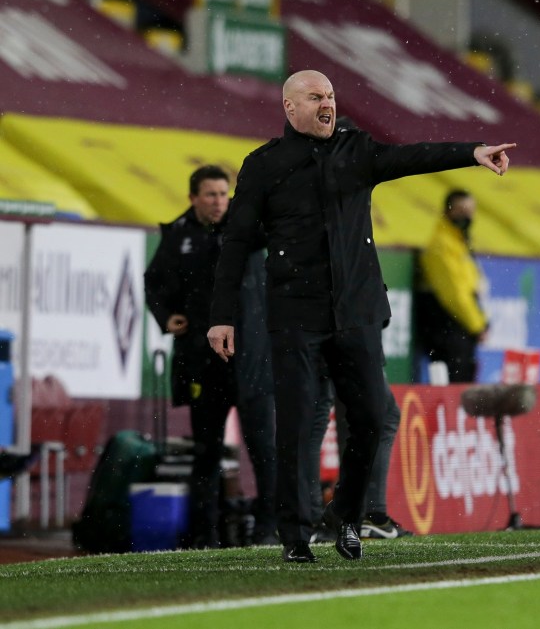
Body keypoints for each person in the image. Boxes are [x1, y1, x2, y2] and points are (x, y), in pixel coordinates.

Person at [207, 70, 515, 563]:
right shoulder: (264, 165)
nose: (327, 103)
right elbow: (237, 242)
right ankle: (294, 536)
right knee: (296, 422)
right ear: (290, 107)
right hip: (296, 316)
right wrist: (222, 316)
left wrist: (472, 152)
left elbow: (411, 157)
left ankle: (346, 515)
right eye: (315, 97)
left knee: (372, 416)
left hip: (356, 313)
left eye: (330, 95)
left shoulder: (357, 150)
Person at [145, 165, 278, 548]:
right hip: (204, 362)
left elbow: (281, 229)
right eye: (211, 195)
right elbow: (153, 282)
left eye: (224, 194)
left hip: (252, 360)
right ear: (193, 198)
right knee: (206, 453)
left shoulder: (248, 228)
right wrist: (165, 315)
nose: (219, 202)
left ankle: (269, 529)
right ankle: (205, 535)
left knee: (264, 450)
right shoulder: (177, 235)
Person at [307, 363, 411, 542]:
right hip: (347, 347)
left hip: (316, 346)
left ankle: (314, 519)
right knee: (379, 416)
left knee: (327, 418)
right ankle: (368, 516)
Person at [416, 189, 488, 383]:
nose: (467, 215)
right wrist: (478, 325)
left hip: (459, 325)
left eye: (470, 210)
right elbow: (454, 294)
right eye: (461, 210)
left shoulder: (460, 242)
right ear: (448, 211)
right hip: (448, 325)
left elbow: (470, 286)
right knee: (454, 383)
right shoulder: (441, 244)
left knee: (464, 379)